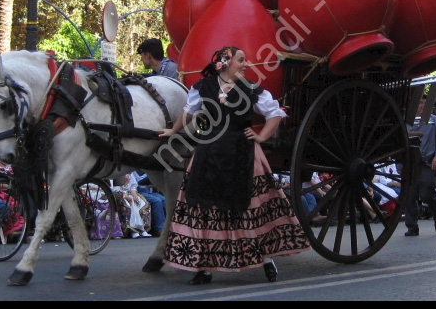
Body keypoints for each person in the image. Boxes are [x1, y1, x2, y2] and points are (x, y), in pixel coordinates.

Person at [158, 46, 309, 285]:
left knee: (250, 209)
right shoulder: (203, 87)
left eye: (245, 60)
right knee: (207, 210)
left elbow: (275, 113)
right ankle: (203, 267)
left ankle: (267, 260)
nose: (246, 64)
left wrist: (262, 137)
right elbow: (189, 111)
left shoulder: (250, 89)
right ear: (226, 63)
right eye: (241, 60)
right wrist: (173, 131)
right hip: (209, 154)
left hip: (243, 153)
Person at [404, 94, 436, 237]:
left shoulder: (435, 121)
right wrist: (400, 163)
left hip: (428, 163)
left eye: (424, 103)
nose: (421, 105)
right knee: (410, 195)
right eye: (419, 102)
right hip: (411, 163)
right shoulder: (407, 123)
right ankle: (412, 227)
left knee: (426, 193)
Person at [132, 170, 166, 236]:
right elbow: (135, 185)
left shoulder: (148, 171)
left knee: (164, 200)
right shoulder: (134, 172)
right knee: (157, 201)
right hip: (140, 193)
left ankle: (167, 227)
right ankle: (159, 229)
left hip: (151, 192)